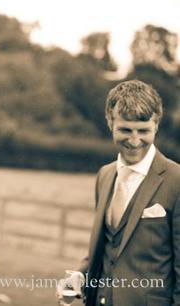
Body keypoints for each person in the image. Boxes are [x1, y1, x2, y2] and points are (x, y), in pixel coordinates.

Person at [57, 80, 180, 306]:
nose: (134, 141)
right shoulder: (104, 175)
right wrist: (80, 275)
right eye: (125, 130)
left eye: (143, 131)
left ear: (157, 126)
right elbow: (108, 249)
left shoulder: (176, 180)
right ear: (110, 122)